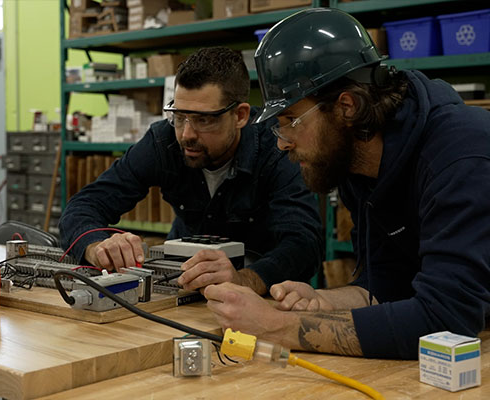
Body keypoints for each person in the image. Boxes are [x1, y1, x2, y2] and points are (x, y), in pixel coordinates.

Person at [204, 8, 490, 360]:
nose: (282, 142)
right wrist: (322, 302)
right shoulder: (359, 163)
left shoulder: (461, 157)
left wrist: (275, 327)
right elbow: (387, 284)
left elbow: (447, 319)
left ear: (347, 107)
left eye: (291, 120)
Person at [59, 47, 323, 295]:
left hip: (263, 295)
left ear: (240, 116)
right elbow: (83, 206)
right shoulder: (163, 143)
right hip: (184, 286)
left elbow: (303, 243)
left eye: (203, 120)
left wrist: (245, 279)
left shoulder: (276, 148)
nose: (186, 134)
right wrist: (96, 246)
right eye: (180, 116)